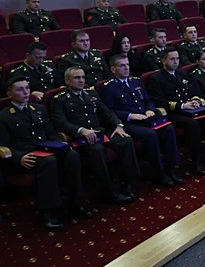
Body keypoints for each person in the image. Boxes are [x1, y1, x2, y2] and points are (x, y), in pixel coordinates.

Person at [0, 78, 92, 230]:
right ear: (10, 94)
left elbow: (51, 133)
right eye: (20, 89)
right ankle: (49, 212)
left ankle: (77, 203)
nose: (25, 92)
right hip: (25, 156)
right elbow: (3, 144)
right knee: (48, 162)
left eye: (27, 88)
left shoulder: (39, 109)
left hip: (46, 149)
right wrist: (19, 157)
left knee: (72, 155)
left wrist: (61, 144)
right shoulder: (3, 116)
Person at [49, 67, 138, 205]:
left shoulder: (92, 94)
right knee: (97, 150)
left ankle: (129, 183)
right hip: (80, 139)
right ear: (67, 80)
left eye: (83, 77)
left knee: (125, 140)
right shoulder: (59, 99)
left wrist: (118, 125)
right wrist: (80, 130)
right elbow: (60, 122)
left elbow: (106, 113)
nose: (81, 80)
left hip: (99, 132)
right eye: (77, 78)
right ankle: (108, 193)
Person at [99, 55, 183, 187]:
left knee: (169, 128)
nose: (126, 68)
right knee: (150, 134)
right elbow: (108, 111)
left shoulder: (136, 81)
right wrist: (130, 115)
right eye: (122, 65)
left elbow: (148, 100)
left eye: (127, 64)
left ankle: (171, 167)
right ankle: (159, 172)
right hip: (128, 123)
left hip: (145, 117)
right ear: (113, 69)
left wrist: (150, 109)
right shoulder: (108, 87)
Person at [146, 48, 205, 176]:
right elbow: (160, 102)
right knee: (192, 124)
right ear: (163, 61)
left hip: (188, 108)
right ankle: (197, 161)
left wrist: (195, 101)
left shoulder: (181, 74)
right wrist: (183, 105)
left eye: (177, 59)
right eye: (172, 59)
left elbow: (193, 92)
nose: (175, 61)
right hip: (173, 112)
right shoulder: (156, 78)